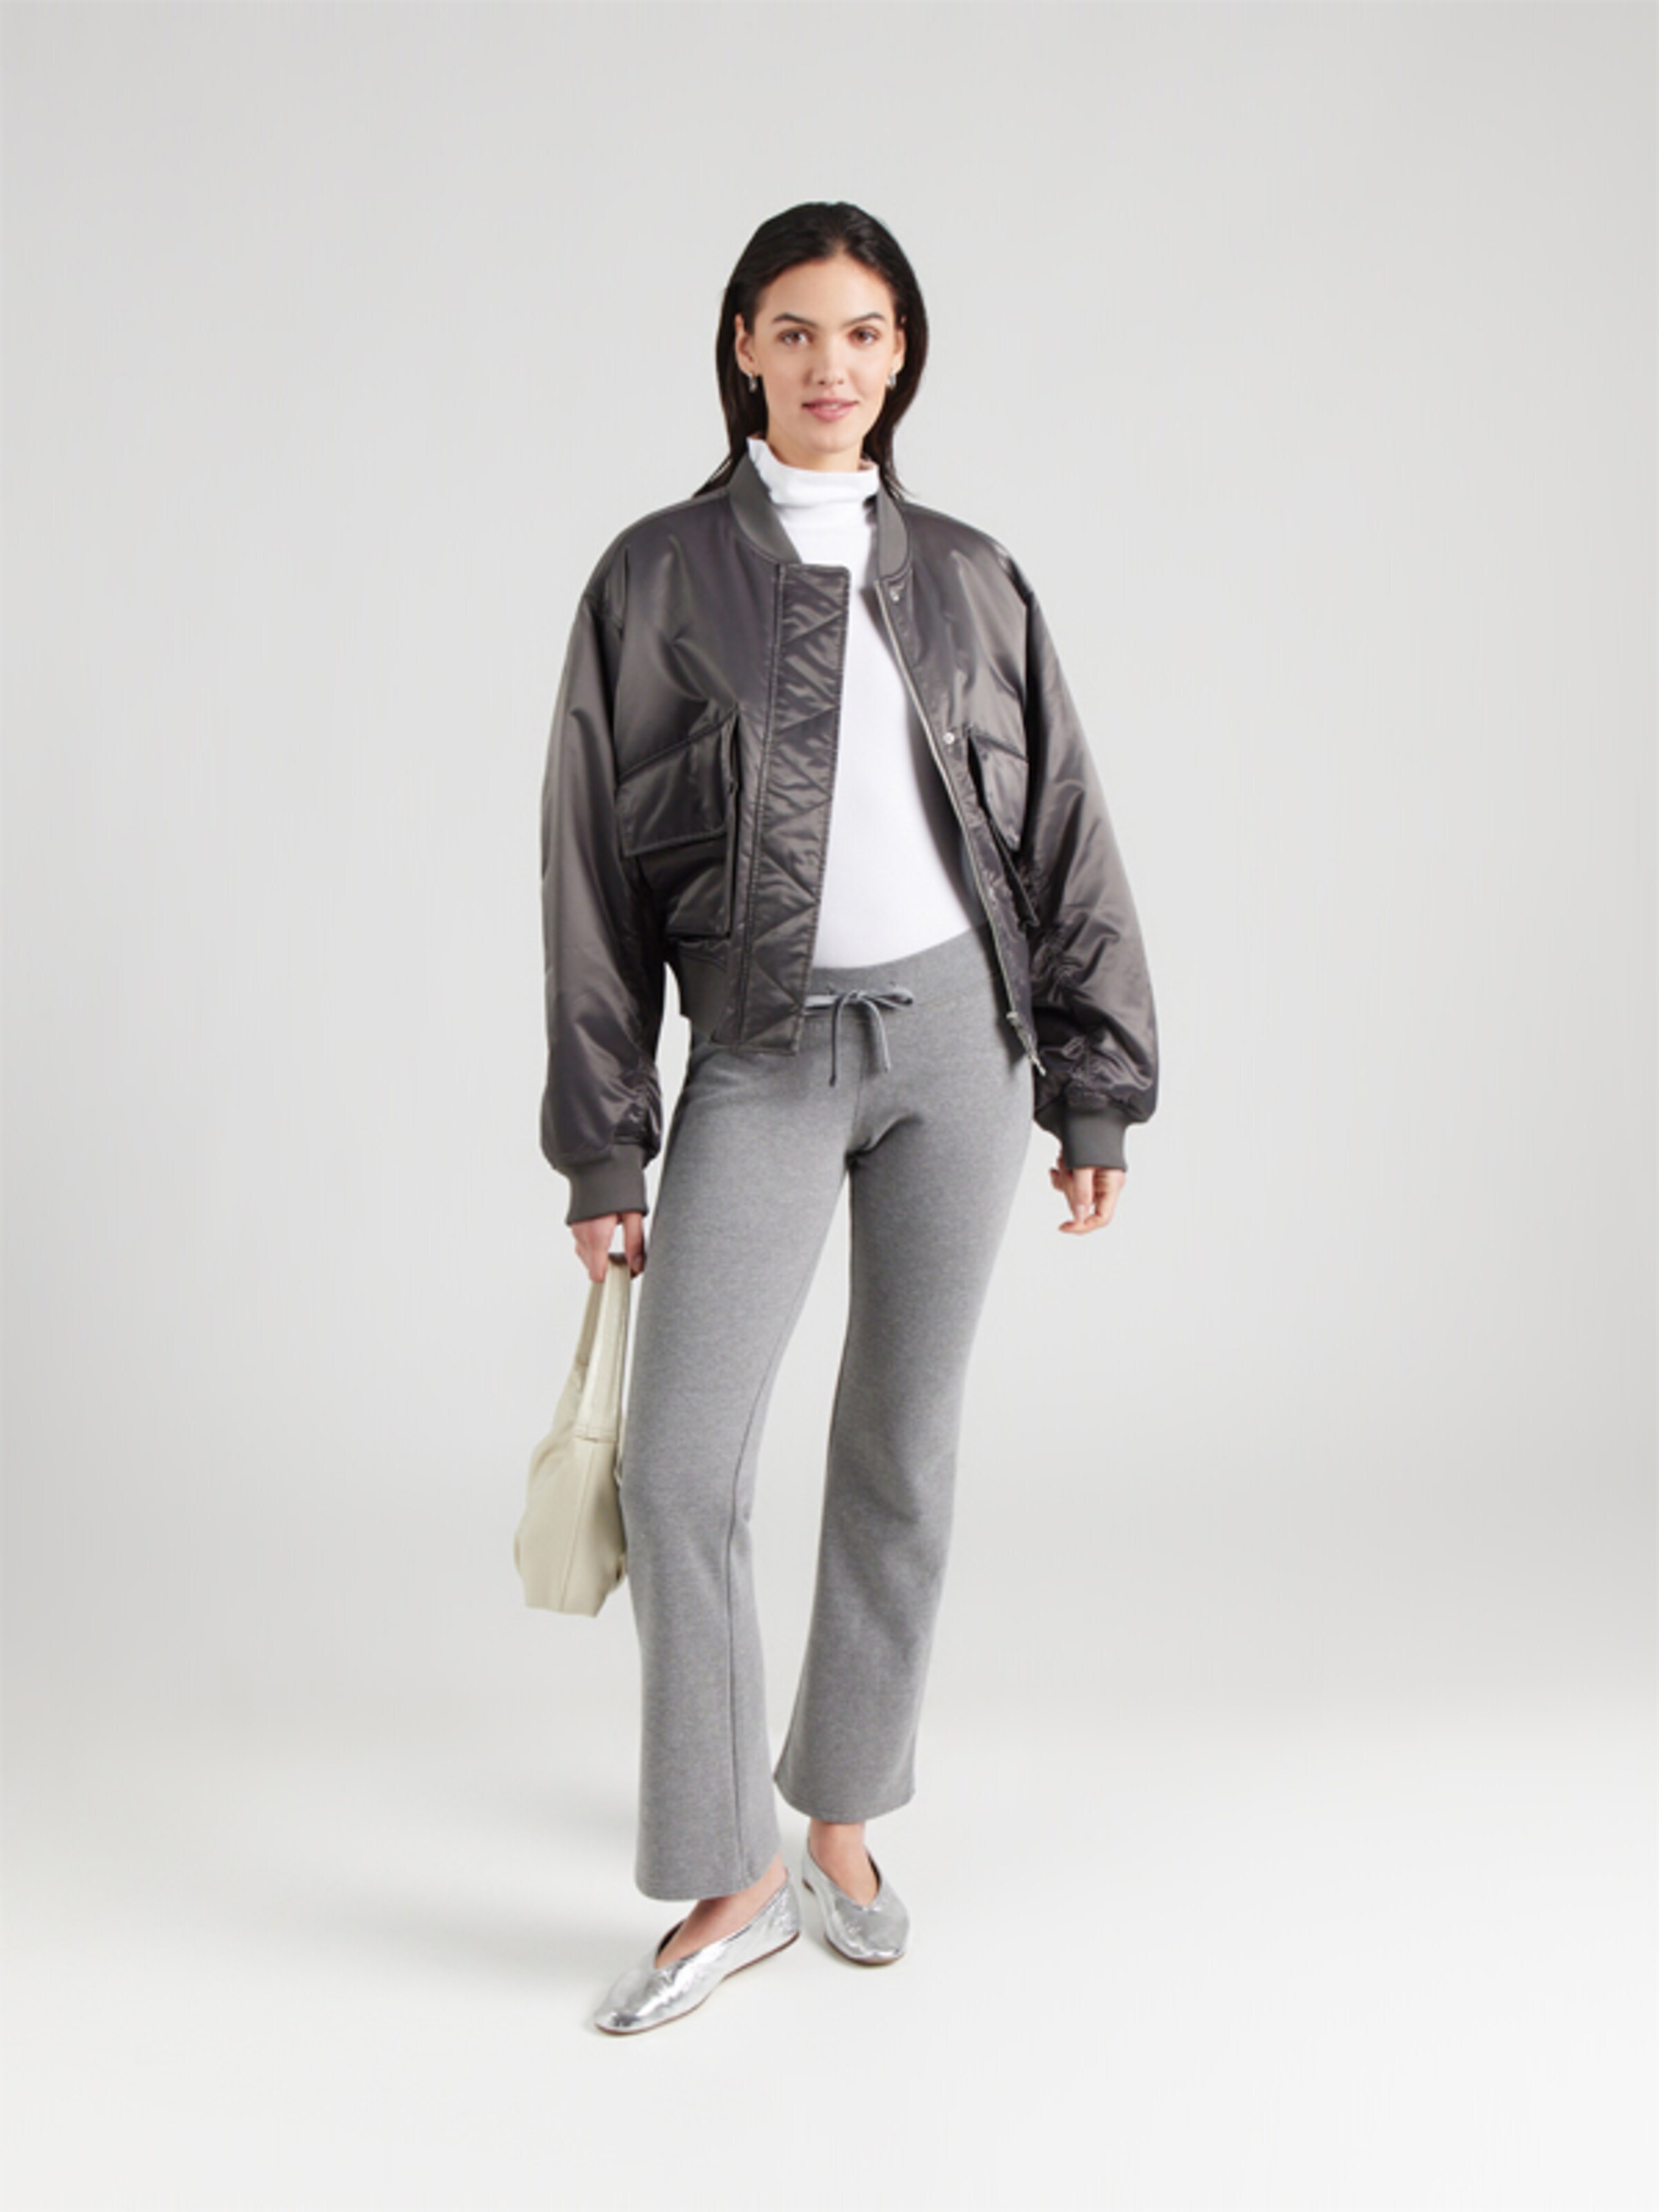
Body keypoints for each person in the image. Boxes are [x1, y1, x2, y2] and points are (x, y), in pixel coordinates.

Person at [538, 201, 1159, 2035]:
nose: (833, 366)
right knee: (680, 1466)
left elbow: (1063, 829)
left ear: (904, 357)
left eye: (866, 333)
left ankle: (841, 1823)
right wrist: (604, 1138)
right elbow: (588, 870)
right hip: (758, 1052)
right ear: (743, 345)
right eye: (798, 330)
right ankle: (727, 1873)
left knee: (902, 1443)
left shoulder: (971, 576)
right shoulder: (654, 580)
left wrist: (1095, 1086)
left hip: (962, 1050)